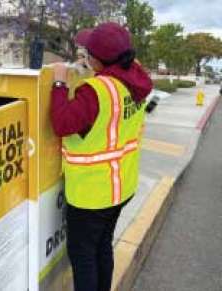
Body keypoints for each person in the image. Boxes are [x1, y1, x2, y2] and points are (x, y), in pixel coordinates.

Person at [50, 22, 152, 291]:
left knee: (84, 257)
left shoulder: (96, 92)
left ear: (97, 58)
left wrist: (59, 81)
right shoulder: (135, 80)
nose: (85, 57)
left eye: (88, 53)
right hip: (122, 186)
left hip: (93, 194)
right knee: (103, 247)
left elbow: (62, 123)